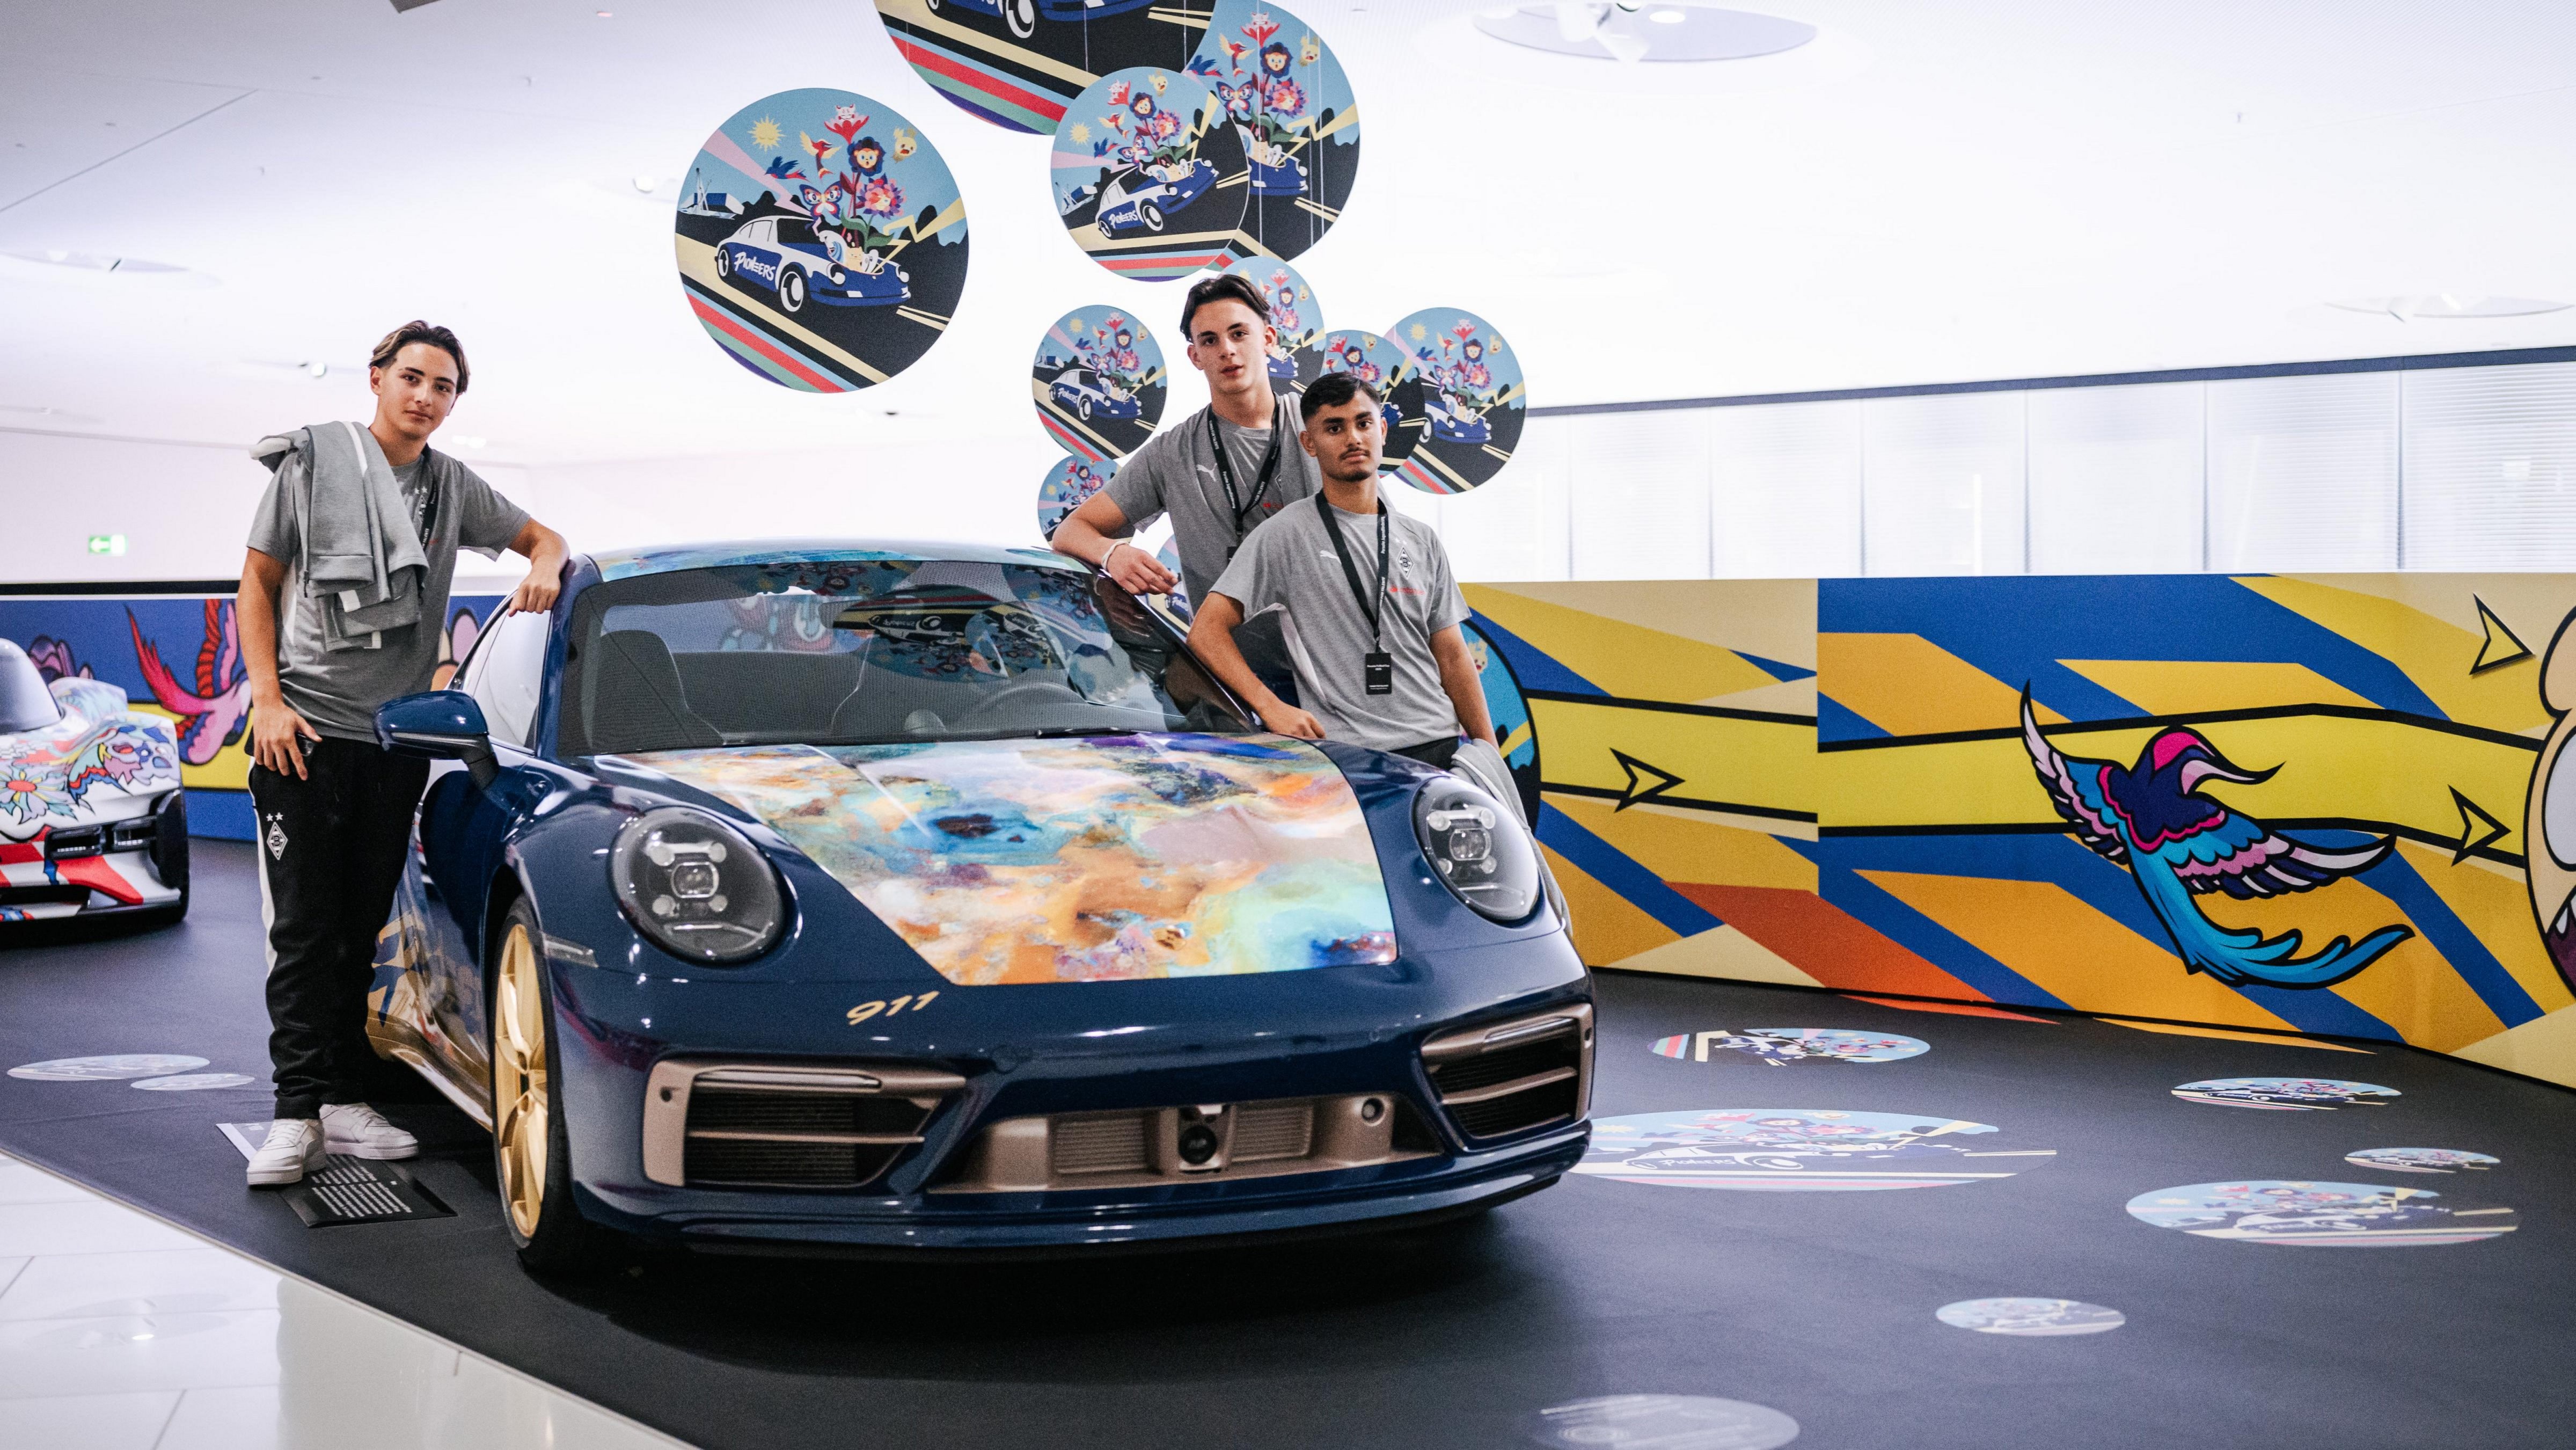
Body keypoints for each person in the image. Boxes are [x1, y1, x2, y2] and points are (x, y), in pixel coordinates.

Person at [236, 320, 567, 1188]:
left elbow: (545, 537)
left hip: (393, 738)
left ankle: (342, 1099)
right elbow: (257, 584)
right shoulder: (313, 465)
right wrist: (267, 701)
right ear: (377, 378)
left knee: (359, 929)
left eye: (443, 386)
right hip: (303, 733)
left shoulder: (452, 485)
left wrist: (546, 563)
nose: (425, 396)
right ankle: (294, 1113)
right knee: (305, 932)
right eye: (412, 377)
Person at [1186, 371, 1497, 770]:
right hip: (1351, 757)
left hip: (1439, 744)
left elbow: (1452, 656)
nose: (1353, 438)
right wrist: (1269, 706)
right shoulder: (1285, 535)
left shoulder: (1421, 539)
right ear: (1309, 443)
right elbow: (1206, 632)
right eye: (1334, 428)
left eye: (1363, 423)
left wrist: (1490, 756)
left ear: (1382, 430)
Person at [1049, 272, 1318, 698]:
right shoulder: (1174, 451)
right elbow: (1069, 532)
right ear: (1195, 356)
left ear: (1268, 339)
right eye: (1210, 340)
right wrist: (1114, 554)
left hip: (1337, 677)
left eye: (1239, 333)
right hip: (1234, 688)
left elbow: (1383, 544)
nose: (1227, 349)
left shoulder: (1323, 427)